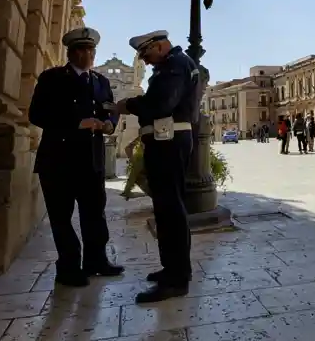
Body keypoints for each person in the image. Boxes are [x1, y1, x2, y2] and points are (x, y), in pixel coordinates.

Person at [29, 27, 123, 287]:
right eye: (82, 50)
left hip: (91, 160)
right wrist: (77, 122)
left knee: (95, 214)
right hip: (58, 159)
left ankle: (96, 261)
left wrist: (110, 124)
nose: (88, 55)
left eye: (91, 50)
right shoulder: (52, 78)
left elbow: (109, 110)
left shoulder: (101, 82)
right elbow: (36, 115)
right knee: (61, 216)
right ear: (71, 53)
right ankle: (69, 268)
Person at [114, 30, 199, 304]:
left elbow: (162, 103)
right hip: (164, 141)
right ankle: (172, 269)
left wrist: (128, 105)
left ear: (160, 46)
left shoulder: (175, 64)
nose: (146, 62)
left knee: (170, 208)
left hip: (169, 141)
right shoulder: (170, 65)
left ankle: (177, 278)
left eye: (147, 54)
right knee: (165, 207)